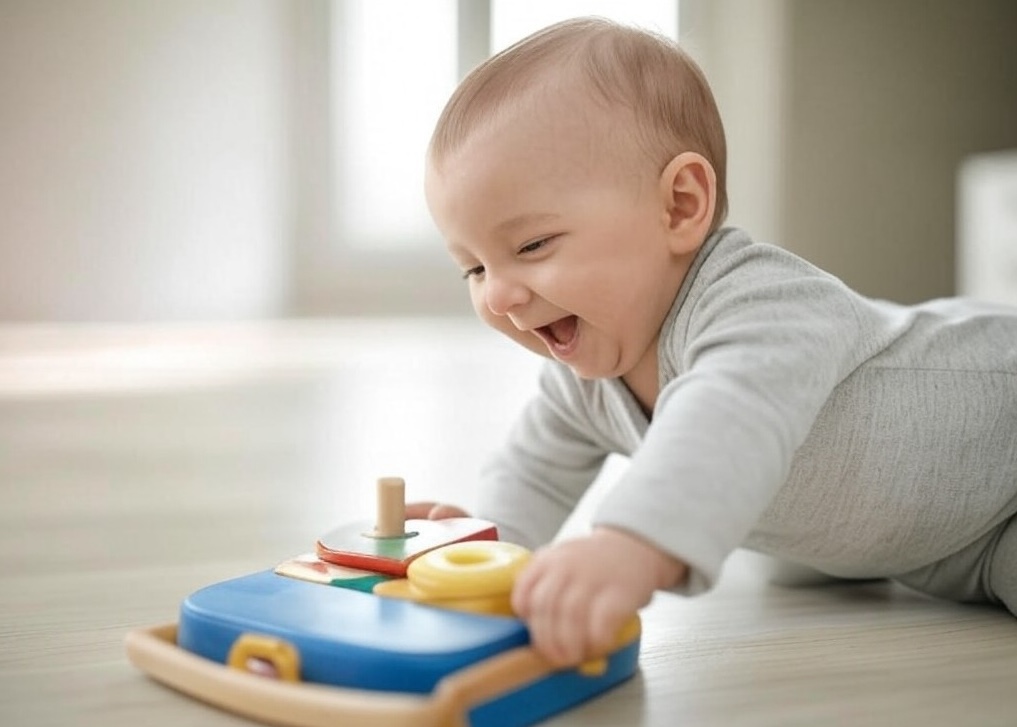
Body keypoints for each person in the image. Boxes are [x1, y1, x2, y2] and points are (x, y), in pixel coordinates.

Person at [408, 16, 1017, 668]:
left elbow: (728, 413)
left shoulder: (759, 299)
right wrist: (485, 551)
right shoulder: (582, 378)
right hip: (953, 553)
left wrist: (630, 542)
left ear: (678, 205)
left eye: (531, 245)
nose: (496, 295)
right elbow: (533, 466)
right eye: (474, 267)